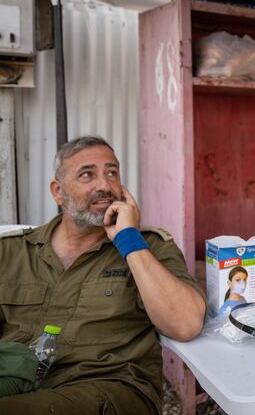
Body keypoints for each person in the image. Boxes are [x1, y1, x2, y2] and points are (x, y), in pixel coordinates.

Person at [0, 136, 207, 414]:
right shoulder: (11, 251)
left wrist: (129, 240)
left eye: (112, 173)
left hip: (108, 390)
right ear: (58, 191)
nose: (105, 185)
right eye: (87, 174)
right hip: (13, 380)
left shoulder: (150, 247)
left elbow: (185, 324)